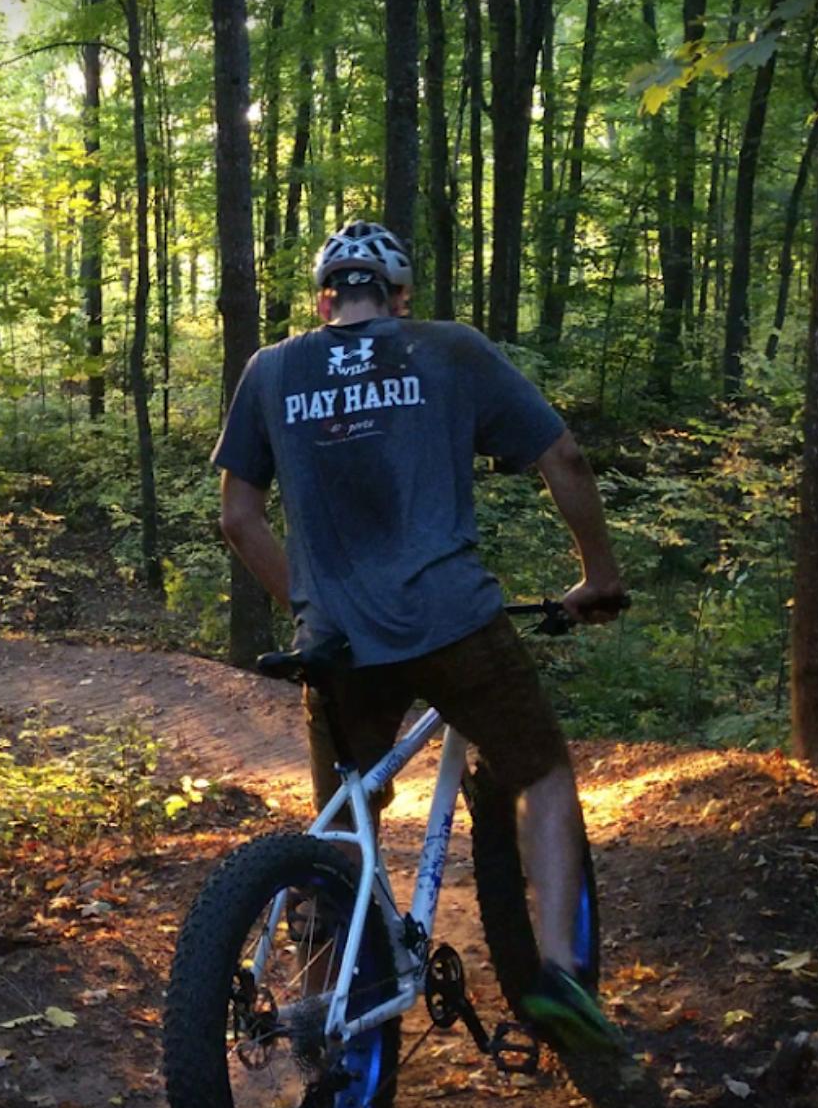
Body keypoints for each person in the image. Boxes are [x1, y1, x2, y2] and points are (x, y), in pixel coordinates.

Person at [212, 219, 629, 1054]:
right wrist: (598, 574)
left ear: (324, 301)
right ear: (400, 298)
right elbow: (565, 459)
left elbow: (238, 519)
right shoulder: (449, 350)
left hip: (337, 645)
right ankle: (559, 973)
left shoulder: (271, 369)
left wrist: (312, 606)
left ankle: (321, 1021)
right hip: (454, 623)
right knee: (542, 771)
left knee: (342, 826)